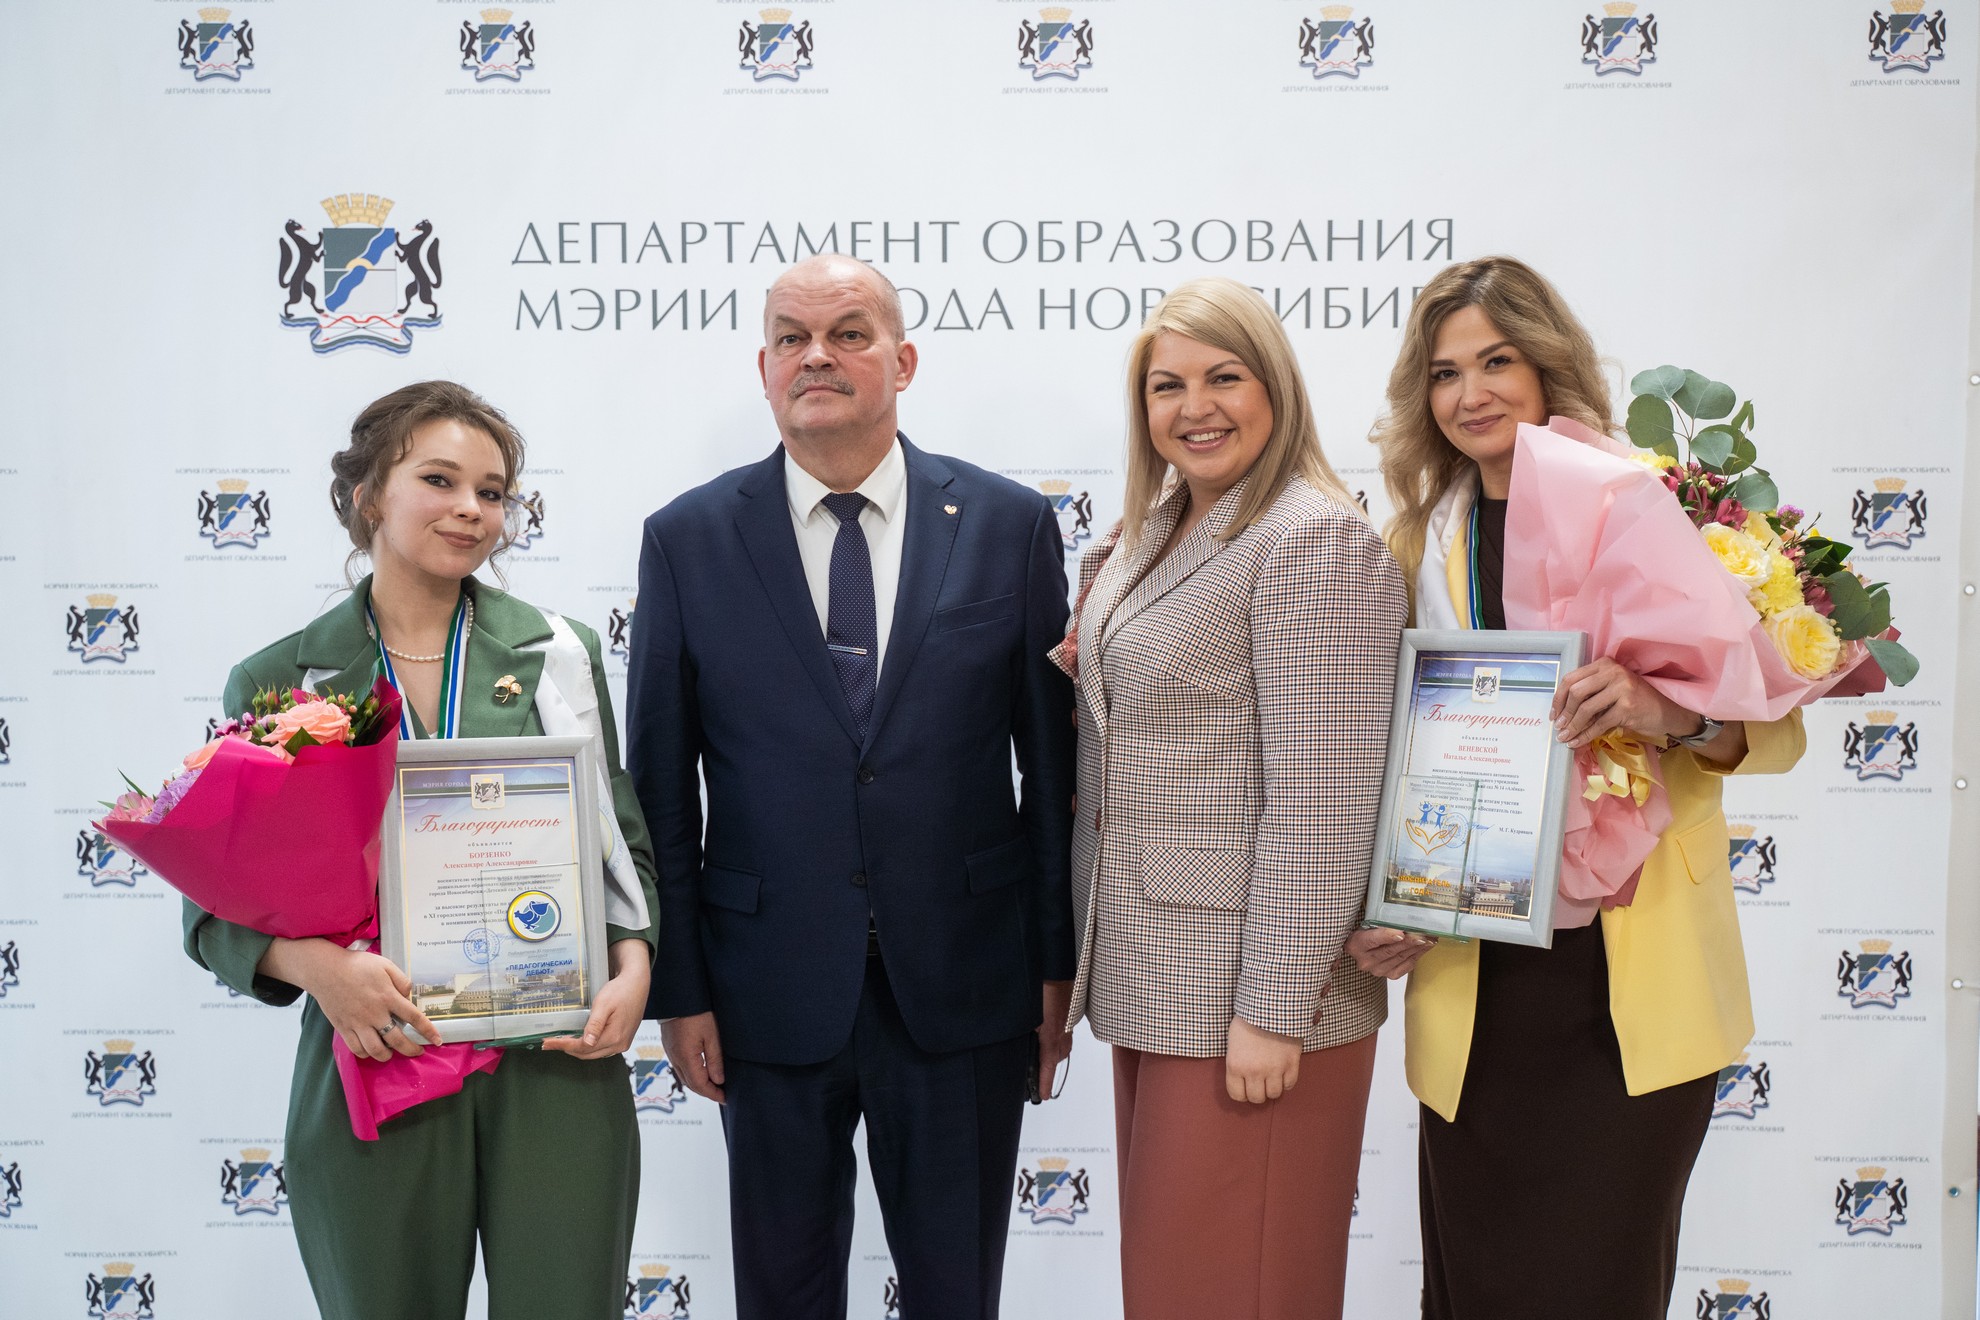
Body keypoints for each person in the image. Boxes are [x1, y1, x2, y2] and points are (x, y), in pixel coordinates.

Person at [1349, 256, 1806, 1319]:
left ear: (1546, 364)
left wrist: (1667, 710)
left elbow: (1777, 732)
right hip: (1479, 977)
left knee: (1600, 1284)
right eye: (1446, 372)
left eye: (1497, 361)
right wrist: (1399, 896)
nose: (1472, 394)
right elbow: (1390, 754)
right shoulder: (1416, 541)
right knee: (1474, 1291)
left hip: (1632, 985)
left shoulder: (1660, 505)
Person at [627, 254, 1075, 1320]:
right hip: (763, 992)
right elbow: (662, 787)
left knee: (956, 1293)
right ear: (764, 368)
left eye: (849, 333)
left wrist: (1053, 965)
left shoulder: (1008, 524)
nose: (816, 356)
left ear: (903, 361)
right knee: (782, 1295)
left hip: (966, 985)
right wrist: (679, 987)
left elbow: (1055, 774)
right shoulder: (686, 539)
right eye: (791, 337)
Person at [182, 381, 659, 1320]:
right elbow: (214, 908)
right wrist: (322, 972)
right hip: (377, 1049)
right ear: (369, 496)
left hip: (552, 1057)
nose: (471, 509)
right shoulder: (284, 677)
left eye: (493, 491)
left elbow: (622, 845)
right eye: (440, 480)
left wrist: (634, 966)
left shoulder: (560, 655)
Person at [1060, 277, 1406, 1320]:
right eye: (1167, 386)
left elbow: (1324, 800)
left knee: (1236, 1291)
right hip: (1155, 975)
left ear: (1276, 388)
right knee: (1178, 1291)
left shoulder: (1312, 539)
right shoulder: (1156, 527)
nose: (1194, 407)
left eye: (1224, 377)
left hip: (1250, 1001)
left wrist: (1273, 1007)